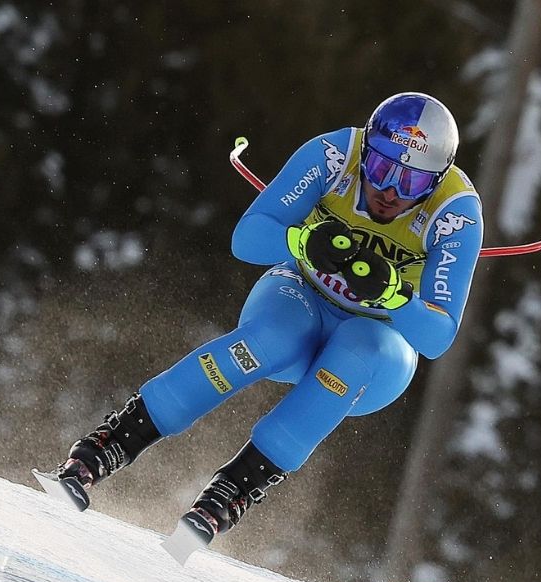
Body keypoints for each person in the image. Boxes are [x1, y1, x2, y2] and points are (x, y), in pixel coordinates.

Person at [53, 92, 484, 549]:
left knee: (359, 348)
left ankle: (226, 498)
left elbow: (437, 336)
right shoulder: (334, 155)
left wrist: (396, 297)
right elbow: (248, 238)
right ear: (365, 153)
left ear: (436, 181)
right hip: (298, 297)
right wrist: (301, 241)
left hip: (381, 346)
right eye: (379, 170)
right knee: (274, 337)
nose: (389, 192)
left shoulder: (455, 215)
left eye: (411, 182)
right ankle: (103, 449)